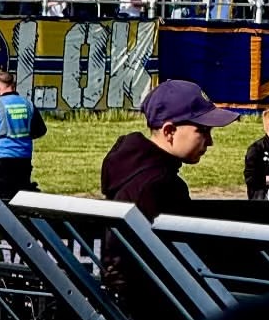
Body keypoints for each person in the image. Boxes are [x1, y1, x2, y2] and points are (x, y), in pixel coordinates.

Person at [101, 78, 239, 219]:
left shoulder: (130, 172)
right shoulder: (161, 188)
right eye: (202, 130)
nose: (210, 142)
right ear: (169, 132)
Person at [0, 69, 46, 200]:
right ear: (14, 85)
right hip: (22, 160)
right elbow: (40, 131)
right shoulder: (28, 104)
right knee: (19, 199)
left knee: (1, 201)